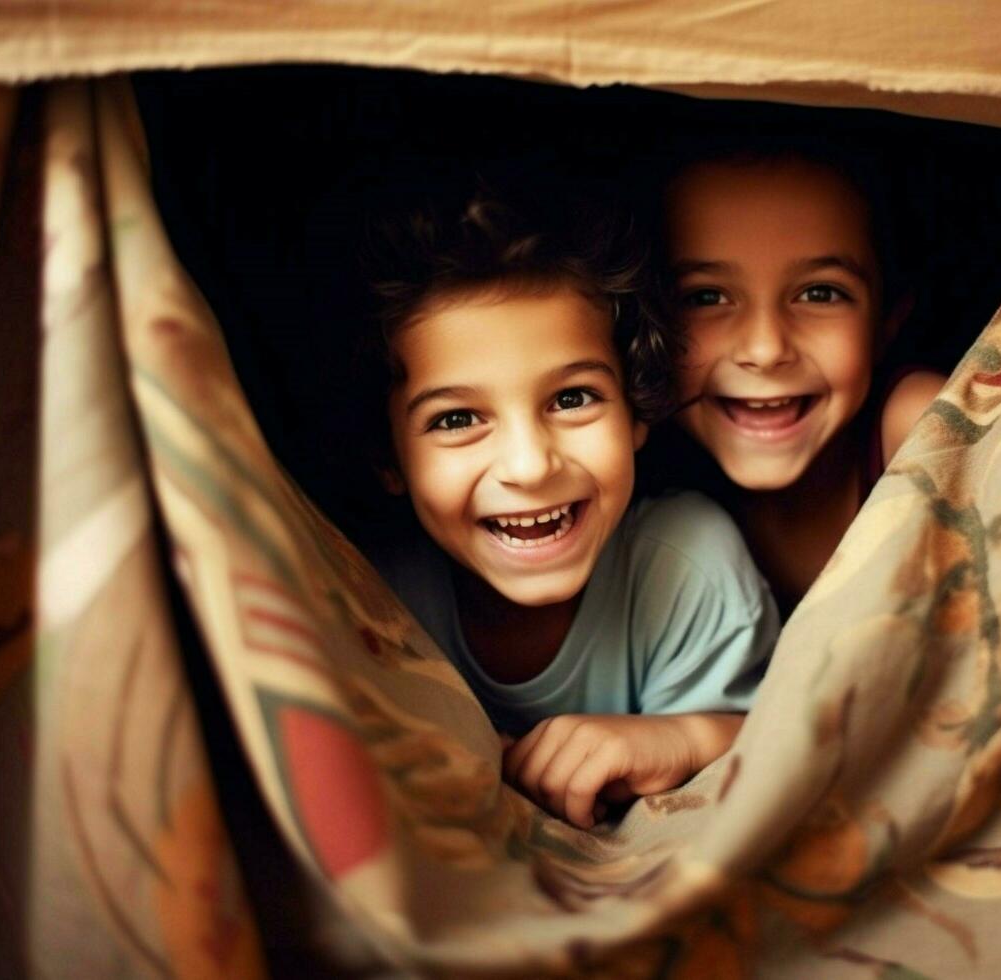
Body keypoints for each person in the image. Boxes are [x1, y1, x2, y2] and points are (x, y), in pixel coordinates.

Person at [355, 180, 779, 829]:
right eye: (458, 417)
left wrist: (685, 739)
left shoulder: (686, 562)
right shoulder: (372, 596)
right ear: (388, 458)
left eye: (572, 399)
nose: (530, 466)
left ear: (637, 410)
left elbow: (788, 750)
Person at [659, 144, 946, 614]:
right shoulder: (632, 472)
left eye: (820, 292)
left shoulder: (918, 429)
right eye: (706, 297)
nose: (766, 349)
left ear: (887, 321)